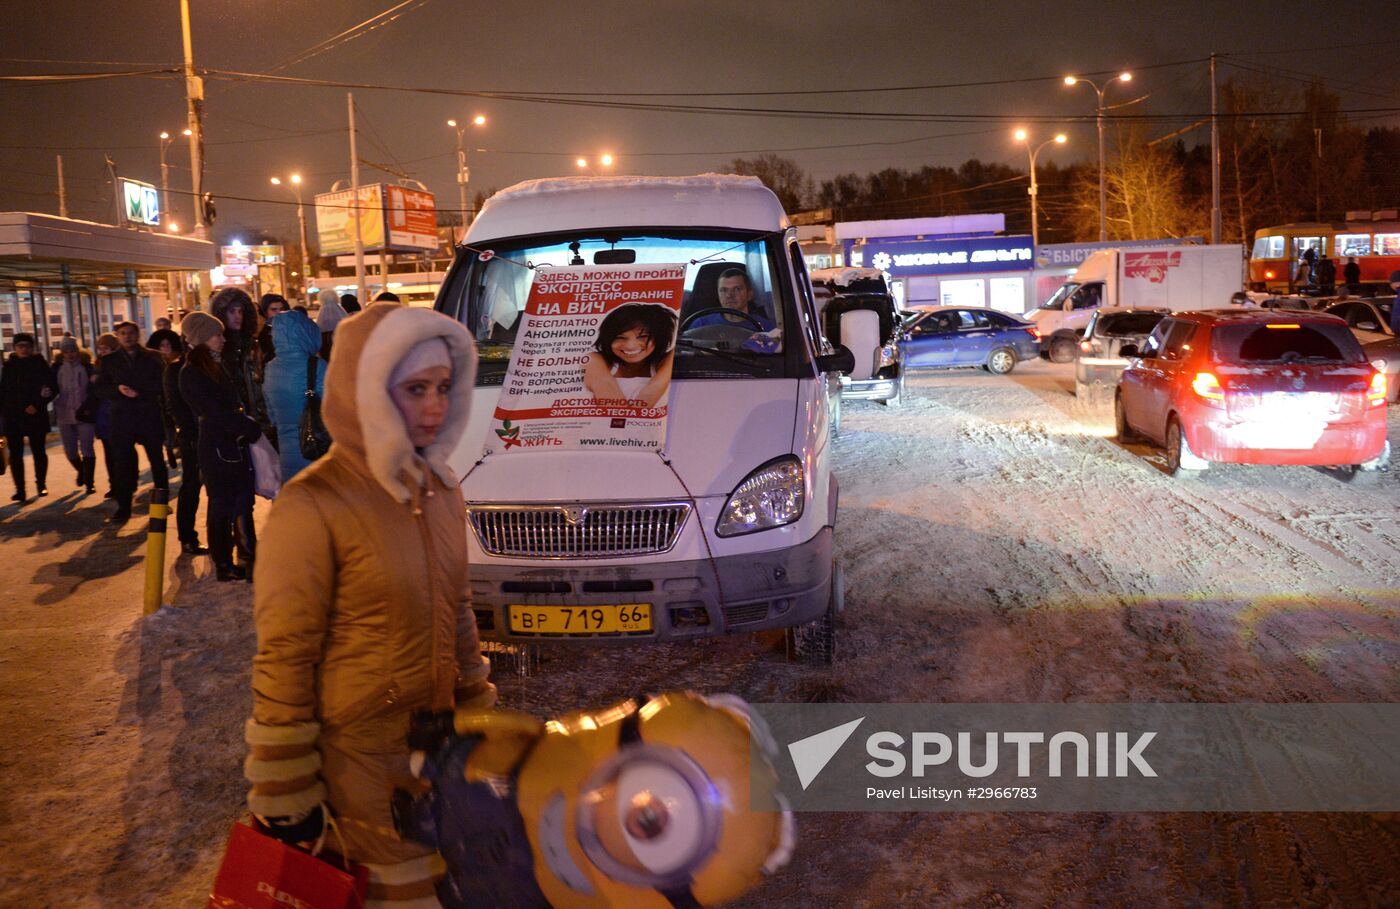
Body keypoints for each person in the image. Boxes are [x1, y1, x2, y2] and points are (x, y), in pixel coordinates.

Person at [243, 304, 494, 906]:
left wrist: (480, 712)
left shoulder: (439, 487)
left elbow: (458, 612)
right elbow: (285, 653)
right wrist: (284, 787)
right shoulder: (313, 504)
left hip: (434, 763)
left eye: (442, 387)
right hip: (354, 766)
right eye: (414, 389)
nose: (435, 405)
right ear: (368, 391)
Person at [179, 312, 260, 579]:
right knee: (222, 504)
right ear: (202, 338)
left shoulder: (214, 365)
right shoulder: (192, 372)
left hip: (230, 443)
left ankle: (246, 556)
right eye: (217, 335)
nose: (223, 339)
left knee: (241, 499)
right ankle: (223, 563)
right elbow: (214, 411)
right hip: (217, 446)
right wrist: (245, 427)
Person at [95, 321, 169, 523]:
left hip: (147, 414)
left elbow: (162, 384)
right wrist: (118, 390)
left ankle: (162, 501)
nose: (127, 337)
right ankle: (124, 505)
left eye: (131, 333)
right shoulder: (110, 361)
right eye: (122, 333)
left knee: (156, 459)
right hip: (122, 416)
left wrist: (142, 391)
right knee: (122, 463)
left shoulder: (152, 357)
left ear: (138, 335)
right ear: (117, 336)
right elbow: (100, 388)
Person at [261, 308, 327, 483]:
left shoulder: (270, 368)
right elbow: (332, 408)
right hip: (317, 450)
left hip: (286, 452)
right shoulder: (317, 366)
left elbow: (272, 415)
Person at [210, 287, 275, 447]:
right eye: (232, 312)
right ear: (222, 314)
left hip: (260, 421)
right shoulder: (217, 349)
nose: (237, 316)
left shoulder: (253, 346)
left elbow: (262, 382)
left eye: (240, 311)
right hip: (232, 425)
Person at [583, 304, 676, 407]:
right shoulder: (594, 359)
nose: (630, 346)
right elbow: (615, 409)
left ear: (660, 338)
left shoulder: (667, 359)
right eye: (620, 337)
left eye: (643, 336)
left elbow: (651, 393)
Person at [165, 326, 207, 555]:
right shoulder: (175, 369)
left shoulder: (210, 364)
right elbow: (173, 406)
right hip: (192, 435)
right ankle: (187, 537)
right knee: (191, 484)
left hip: (211, 433)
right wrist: (187, 434)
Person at [1, 333, 57, 502]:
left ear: (32, 348)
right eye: (20, 346)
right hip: (13, 416)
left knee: (38, 451)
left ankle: (41, 484)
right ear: (15, 348)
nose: (23, 349)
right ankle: (20, 489)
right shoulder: (9, 366)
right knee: (15, 455)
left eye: (27, 346)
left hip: (35, 415)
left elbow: (52, 388)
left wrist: (38, 404)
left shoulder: (40, 365)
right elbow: (3, 391)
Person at [53, 337, 98, 494]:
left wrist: (89, 407)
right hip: (64, 414)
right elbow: (51, 387)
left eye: (72, 350)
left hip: (84, 414)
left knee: (87, 448)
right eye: (66, 351)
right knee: (70, 451)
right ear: (62, 353)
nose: (70, 354)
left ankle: (89, 483)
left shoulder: (87, 367)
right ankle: (82, 472)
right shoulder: (57, 368)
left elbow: (94, 391)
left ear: (77, 351)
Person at [690, 267, 776, 331]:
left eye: (737, 289)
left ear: (749, 294)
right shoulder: (700, 324)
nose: (729, 295)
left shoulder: (765, 328)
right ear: (718, 294)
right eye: (723, 290)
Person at [146, 328, 184, 469]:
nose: (166, 347)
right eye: (162, 345)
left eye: (168, 344)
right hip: (160, 403)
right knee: (168, 432)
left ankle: (175, 449)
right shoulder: (155, 362)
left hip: (176, 400)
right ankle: (169, 450)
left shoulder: (179, 361)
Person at [92, 332, 119, 498]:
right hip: (102, 416)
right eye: (100, 348)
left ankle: (123, 483)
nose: (102, 352)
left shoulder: (119, 366)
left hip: (117, 414)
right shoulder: (96, 366)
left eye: (106, 348)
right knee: (109, 452)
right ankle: (114, 484)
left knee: (120, 451)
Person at [315, 293, 348, 361]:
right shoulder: (340, 310)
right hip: (341, 338)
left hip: (325, 340)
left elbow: (319, 325)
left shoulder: (323, 310)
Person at [258, 293, 288, 366]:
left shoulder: (291, 331)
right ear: (265, 312)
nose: (279, 313)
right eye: (273, 310)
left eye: (281, 309)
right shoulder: (261, 333)